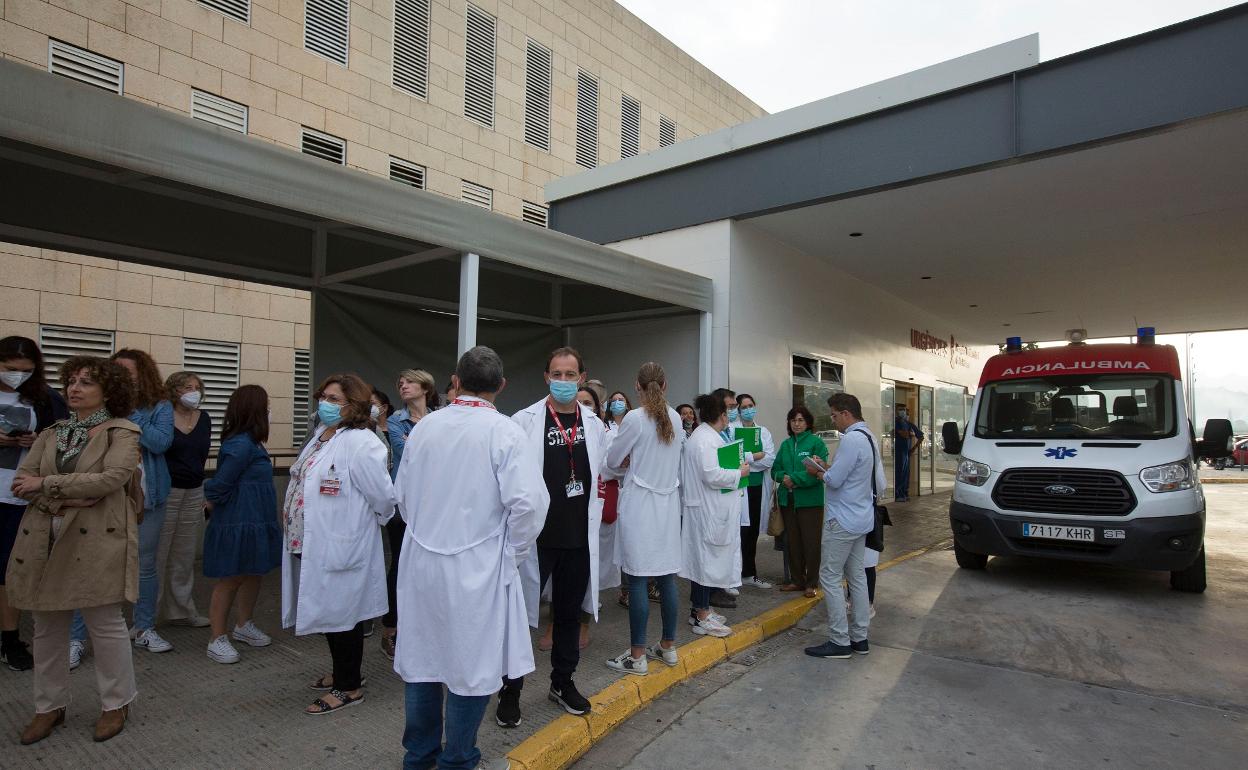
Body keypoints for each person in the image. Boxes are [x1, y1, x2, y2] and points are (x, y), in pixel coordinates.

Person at [393, 346, 547, 769]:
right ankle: (458, 760)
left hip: (423, 562)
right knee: (472, 667)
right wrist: (510, 553)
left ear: (455, 381)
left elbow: (402, 497)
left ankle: (419, 758)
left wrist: (428, 532)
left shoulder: (424, 429)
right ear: (501, 386)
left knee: (424, 662)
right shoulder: (506, 432)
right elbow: (530, 507)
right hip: (479, 567)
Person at [8, 356, 140, 744]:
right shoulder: (52, 432)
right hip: (43, 538)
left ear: (107, 392)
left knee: (105, 624)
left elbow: (112, 478)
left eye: (86, 382)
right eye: (72, 381)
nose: (75, 389)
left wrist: (45, 486)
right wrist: (61, 495)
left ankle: (116, 703)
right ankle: (49, 707)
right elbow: (20, 483)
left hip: (98, 538)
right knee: (47, 627)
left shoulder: (123, 432)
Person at [282, 374, 396, 715]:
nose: (326, 404)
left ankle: (349, 687)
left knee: (344, 617)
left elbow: (384, 497)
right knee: (330, 614)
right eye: (325, 397)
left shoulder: (363, 442)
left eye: (335, 399)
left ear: (355, 406)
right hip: (310, 539)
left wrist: (364, 523)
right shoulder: (323, 435)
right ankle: (342, 671)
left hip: (341, 542)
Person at [504, 347, 604, 725]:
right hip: (535, 541)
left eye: (571, 374)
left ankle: (562, 682)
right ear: (546, 377)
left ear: (582, 378)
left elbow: (606, 469)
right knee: (519, 619)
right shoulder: (524, 421)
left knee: (567, 617)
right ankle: (510, 690)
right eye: (557, 374)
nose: (564, 381)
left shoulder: (593, 422)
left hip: (578, 538)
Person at [68, 349, 174, 660]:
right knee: (88, 565)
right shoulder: (94, 406)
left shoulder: (160, 406)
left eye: (128, 372)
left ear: (143, 374)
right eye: (115, 372)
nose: (122, 377)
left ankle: (143, 628)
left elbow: (160, 442)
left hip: (147, 495)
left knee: (144, 565)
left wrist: (129, 411)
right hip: (99, 496)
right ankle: (76, 639)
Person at [603, 363, 684, 675]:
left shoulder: (635, 419)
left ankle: (637, 655)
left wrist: (627, 463)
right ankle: (668, 646)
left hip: (641, 506)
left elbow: (612, 461)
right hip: (667, 507)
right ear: (664, 386)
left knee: (637, 578)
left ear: (638, 387)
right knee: (666, 577)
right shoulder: (676, 417)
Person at [201, 385, 282, 664]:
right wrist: (211, 502)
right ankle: (217, 637)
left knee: (253, 572)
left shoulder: (253, 442)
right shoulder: (240, 444)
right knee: (232, 577)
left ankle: (243, 624)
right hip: (238, 519)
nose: (270, 410)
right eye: (266, 405)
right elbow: (222, 482)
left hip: (256, 519)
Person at [1, 336, 68, 672]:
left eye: (26, 371)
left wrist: (38, 438)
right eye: (11, 370)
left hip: (18, 495)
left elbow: (66, 437)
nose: (18, 376)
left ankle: (10, 639)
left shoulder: (44, 398)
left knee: (9, 571)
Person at [804, 393, 886, 660]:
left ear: (846, 414)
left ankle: (839, 639)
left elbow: (835, 480)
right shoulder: (869, 438)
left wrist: (817, 471)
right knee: (857, 577)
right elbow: (860, 476)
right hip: (861, 517)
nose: (833, 420)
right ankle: (860, 638)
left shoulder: (851, 439)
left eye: (834, 415)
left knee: (829, 576)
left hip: (842, 519)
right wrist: (828, 467)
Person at [680, 393, 749, 639]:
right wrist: (739, 472)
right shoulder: (705, 440)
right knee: (704, 564)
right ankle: (701, 615)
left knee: (706, 562)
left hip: (710, 509)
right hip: (707, 511)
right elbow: (711, 474)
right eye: (729, 410)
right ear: (721, 415)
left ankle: (701, 609)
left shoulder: (708, 436)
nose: (731, 414)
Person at [382, 370, 438, 659]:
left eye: (409, 382)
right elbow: (408, 451)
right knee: (400, 566)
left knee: (426, 566)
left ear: (424, 387)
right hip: (404, 504)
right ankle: (391, 629)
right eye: (400, 383)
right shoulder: (395, 420)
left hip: (433, 503)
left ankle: (420, 626)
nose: (402, 386)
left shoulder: (439, 416)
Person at [156, 372, 212, 629]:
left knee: (184, 554)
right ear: (174, 390)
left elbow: (202, 455)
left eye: (197, 387)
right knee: (158, 553)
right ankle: (148, 614)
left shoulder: (205, 419)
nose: (193, 391)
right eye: (187, 387)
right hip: (167, 491)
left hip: (194, 490)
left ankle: (182, 608)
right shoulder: (163, 415)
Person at [771, 406, 828, 598]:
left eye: (801, 420)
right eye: (793, 420)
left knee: (811, 543)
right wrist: (783, 477)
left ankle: (811, 582)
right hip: (788, 501)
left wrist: (792, 479)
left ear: (808, 423)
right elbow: (774, 470)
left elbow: (817, 473)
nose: (796, 423)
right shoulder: (786, 445)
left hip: (810, 502)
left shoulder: (816, 443)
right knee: (792, 542)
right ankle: (797, 580)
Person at [735, 394, 775, 590]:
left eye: (751, 405)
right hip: (738, 487)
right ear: (738, 410)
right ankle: (734, 575)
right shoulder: (732, 430)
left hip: (757, 487)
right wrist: (755, 456)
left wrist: (748, 461)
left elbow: (769, 459)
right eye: (744, 407)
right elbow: (733, 458)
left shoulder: (764, 432)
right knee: (737, 531)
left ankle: (749, 573)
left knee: (752, 532)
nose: (749, 409)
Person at [893, 404, 923, 502]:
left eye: (903, 410)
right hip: (899, 452)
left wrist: (913, 448)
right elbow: (904, 434)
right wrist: (911, 434)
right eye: (900, 410)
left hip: (905, 453)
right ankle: (898, 495)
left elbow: (921, 436)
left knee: (905, 474)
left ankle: (904, 493)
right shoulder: (896, 422)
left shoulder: (908, 423)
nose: (902, 412)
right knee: (899, 473)